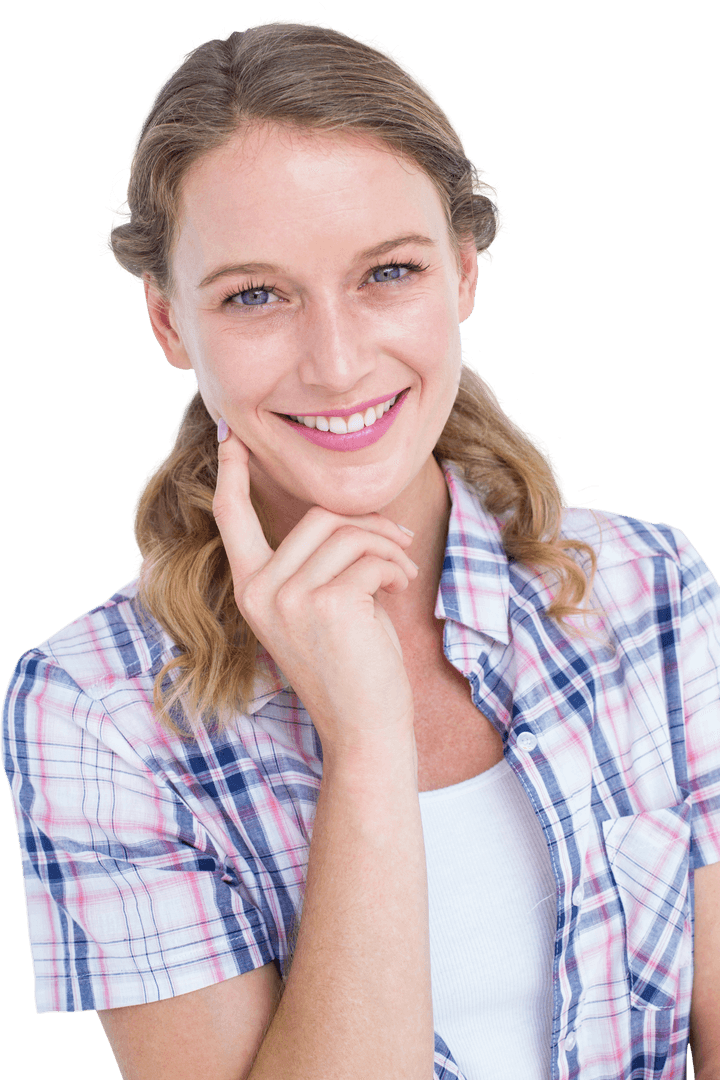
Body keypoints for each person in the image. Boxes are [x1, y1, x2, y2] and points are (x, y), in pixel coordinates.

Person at [2, 17, 718, 1080]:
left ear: (464, 275)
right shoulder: (95, 712)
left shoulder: (650, 590)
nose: (337, 364)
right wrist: (368, 742)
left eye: (387, 273)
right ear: (167, 326)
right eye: (255, 295)